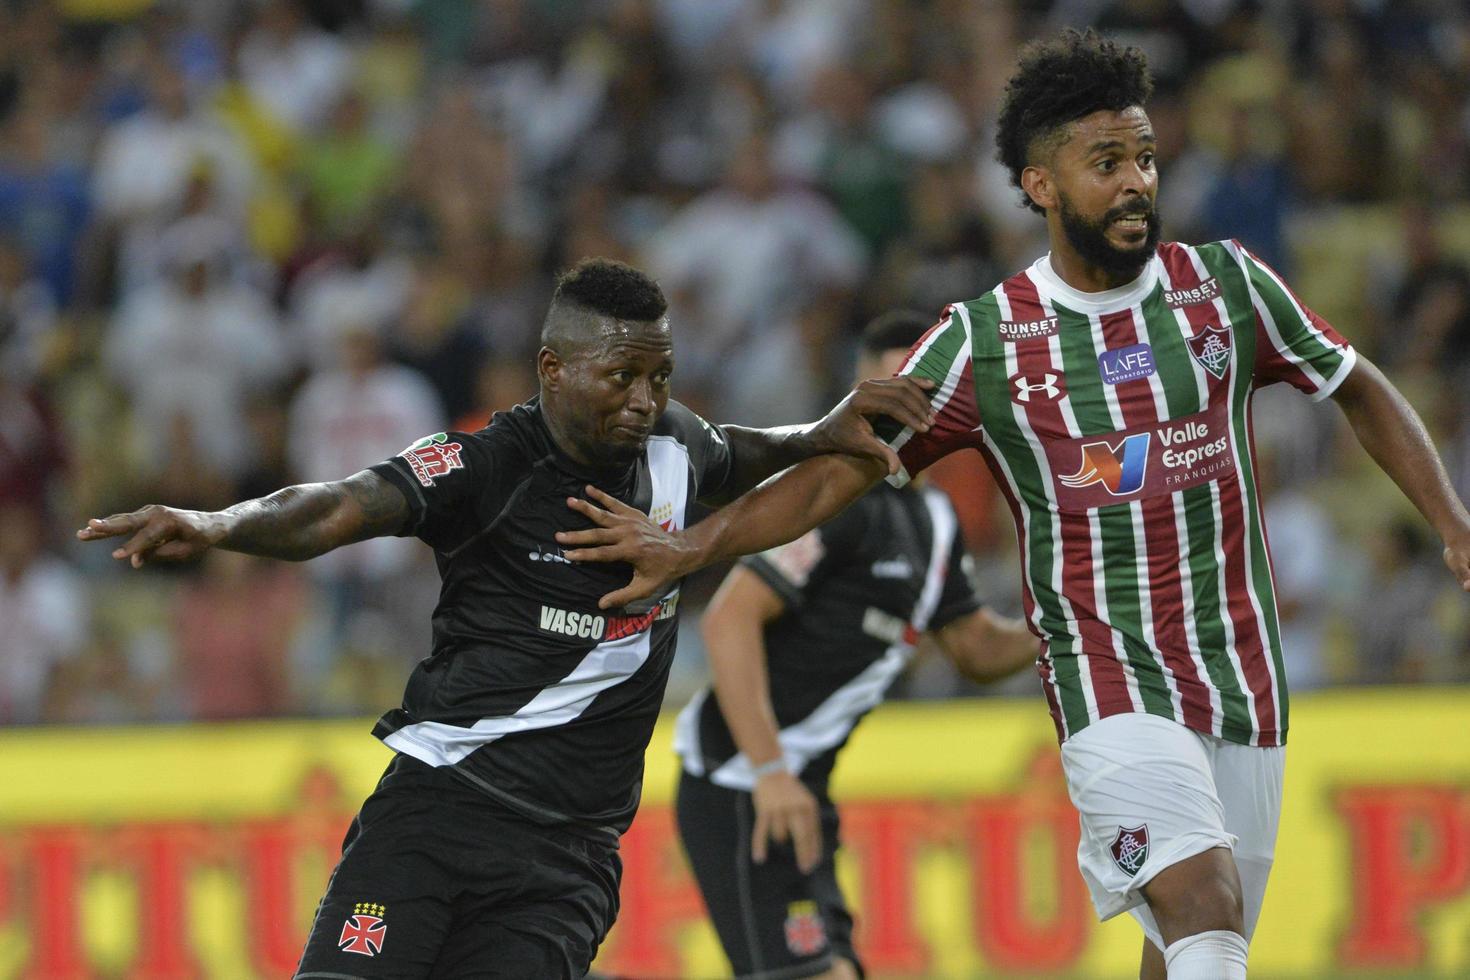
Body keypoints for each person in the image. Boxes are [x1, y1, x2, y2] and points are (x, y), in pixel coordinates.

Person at [555, 32, 1470, 980]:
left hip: (1242, 681)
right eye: (1106, 162)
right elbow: (836, 473)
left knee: (1193, 944)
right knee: (1203, 899)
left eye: (1146, 158)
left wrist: (1452, 522)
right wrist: (692, 547)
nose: (1137, 184)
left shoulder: (1227, 286)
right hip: (1107, 683)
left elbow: (1357, 384)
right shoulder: (983, 344)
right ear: (1040, 184)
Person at [77, 257, 934, 979]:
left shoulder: (676, 445)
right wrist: (219, 524)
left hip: (569, 859)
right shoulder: (488, 467)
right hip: (443, 811)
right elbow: (337, 507)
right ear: (552, 368)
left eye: (660, 376)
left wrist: (819, 430)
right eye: (622, 376)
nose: (645, 400)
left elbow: (747, 450)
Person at [673, 311, 1037, 980]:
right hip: (741, 781)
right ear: (857, 392)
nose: (905, 407)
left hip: (800, 788)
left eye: (920, 391)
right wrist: (771, 770)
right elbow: (729, 620)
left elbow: (974, 646)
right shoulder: (838, 498)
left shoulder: (931, 518)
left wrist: (1062, 625)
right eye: (887, 387)